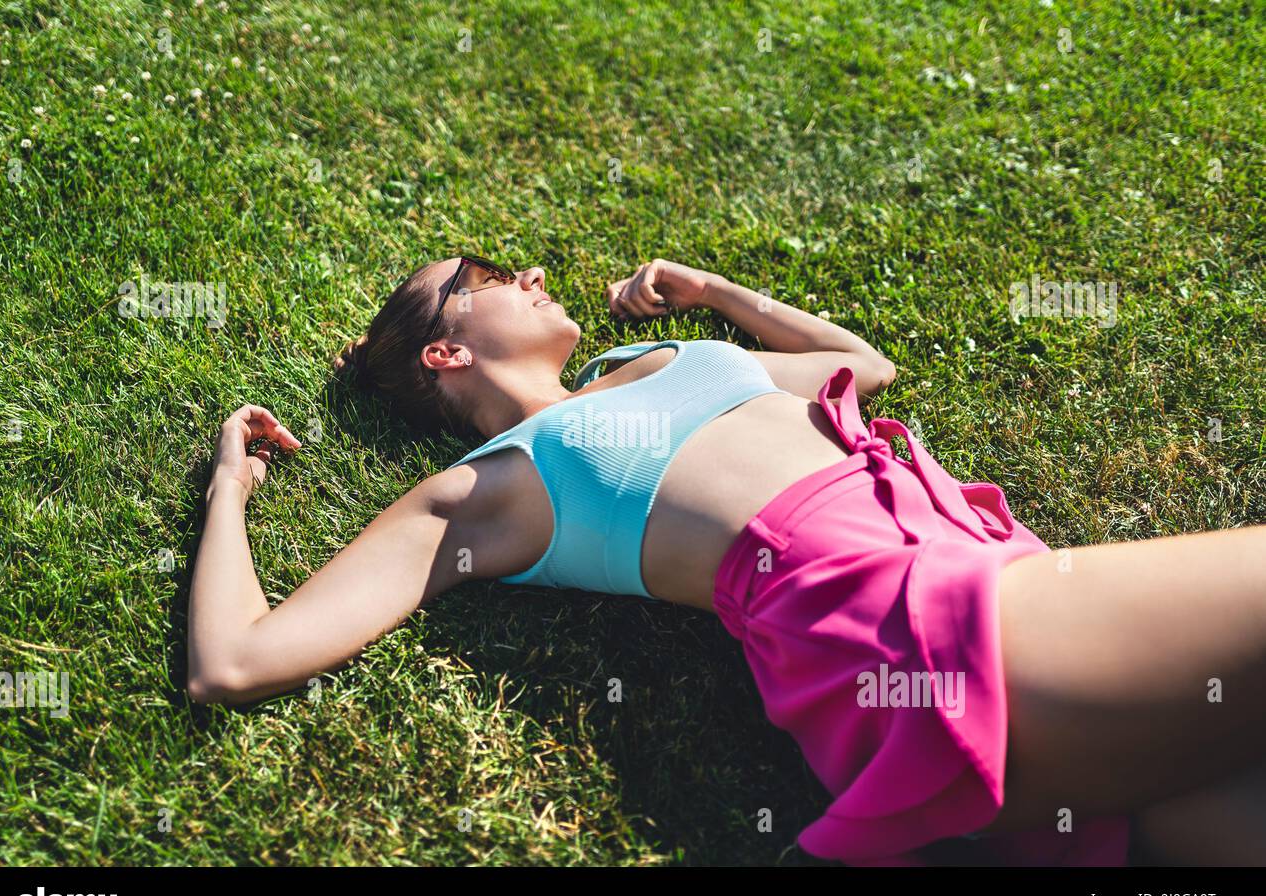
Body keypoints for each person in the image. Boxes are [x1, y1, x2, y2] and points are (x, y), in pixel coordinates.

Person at [187, 256, 1266, 865]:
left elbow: (857, 365)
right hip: (907, 621)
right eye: (484, 274)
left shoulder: (651, 357)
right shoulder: (495, 485)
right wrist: (228, 490)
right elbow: (234, 661)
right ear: (446, 350)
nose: (529, 269)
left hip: (985, 578)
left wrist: (711, 294)